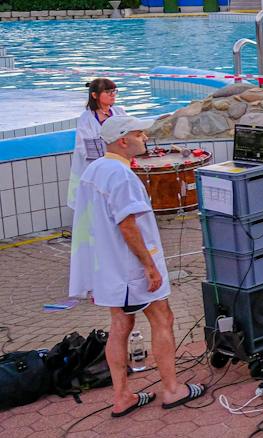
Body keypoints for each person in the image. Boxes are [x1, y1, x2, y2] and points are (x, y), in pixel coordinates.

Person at [67, 115, 205, 416]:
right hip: (129, 269)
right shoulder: (121, 177)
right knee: (162, 318)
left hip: (107, 267)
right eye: (139, 134)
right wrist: (150, 266)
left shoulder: (94, 170)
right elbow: (128, 226)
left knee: (120, 325)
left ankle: (122, 397)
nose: (145, 139)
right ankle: (171, 390)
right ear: (122, 140)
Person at [70, 78, 126, 200]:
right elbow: (84, 147)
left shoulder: (119, 112)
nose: (112, 95)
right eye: (107, 92)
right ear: (95, 95)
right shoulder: (86, 118)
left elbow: (129, 133)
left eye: (114, 91)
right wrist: (107, 163)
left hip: (118, 165)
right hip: (96, 168)